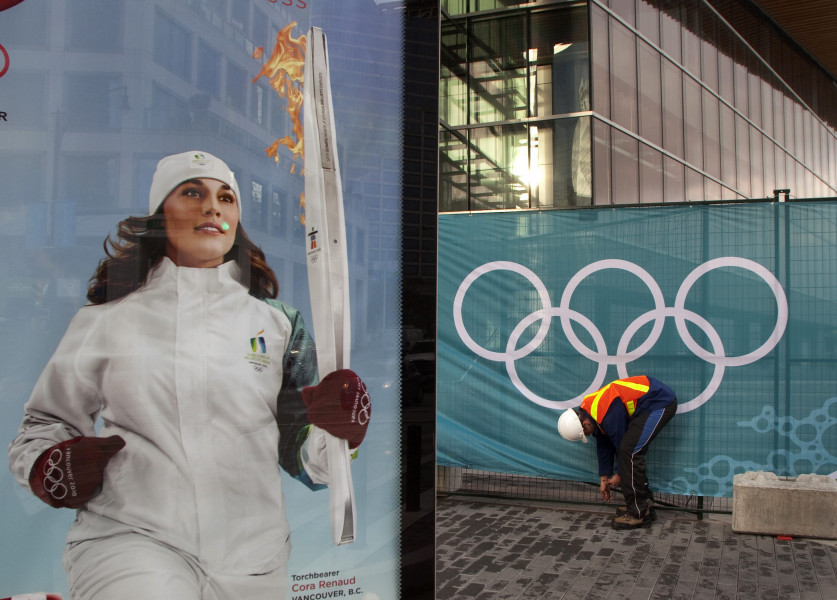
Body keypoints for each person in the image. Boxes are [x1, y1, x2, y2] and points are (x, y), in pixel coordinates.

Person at [8, 150, 371, 599]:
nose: (212, 207)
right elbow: (43, 425)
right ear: (162, 214)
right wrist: (49, 465)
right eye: (192, 192)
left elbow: (301, 455)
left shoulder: (277, 324)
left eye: (226, 198)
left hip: (254, 558)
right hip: (131, 538)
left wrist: (340, 435)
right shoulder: (106, 319)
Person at [557, 375, 676, 530]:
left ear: (585, 424)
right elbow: (603, 443)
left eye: (585, 434)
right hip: (649, 402)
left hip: (659, 402)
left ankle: (638, 513)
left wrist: (620, 473)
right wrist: (604, 477)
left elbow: (622, 446)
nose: (588, 436)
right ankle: (643, 506)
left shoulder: (607, 413)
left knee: (629, 452)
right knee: (629, 452)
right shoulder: (590, 411)